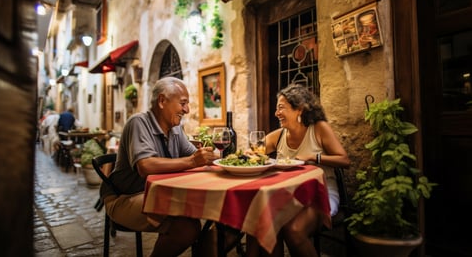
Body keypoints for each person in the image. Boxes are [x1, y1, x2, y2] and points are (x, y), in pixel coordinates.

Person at [100, 77, 218, 257]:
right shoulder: (138, 122)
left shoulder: (176, 129)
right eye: (183, 103)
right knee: (186, 227)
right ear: (162, 101)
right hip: (124, 197)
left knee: (203, 218)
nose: (187, 110)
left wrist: (217, 158)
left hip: (157, 193)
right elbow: (145, 166)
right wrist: (194, 161)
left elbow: (193, 155)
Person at [246, 84, 351, 257]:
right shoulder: (278, 135)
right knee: (267, 223)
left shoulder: (318, 129)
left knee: (294, 230)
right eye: (277, 108)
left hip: (320, 192)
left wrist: (314, 157)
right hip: (287, 194)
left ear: (299, 109)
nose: (276, 113)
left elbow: (344, 160)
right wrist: (250, 154)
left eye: (281, 108)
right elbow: (254, 151)